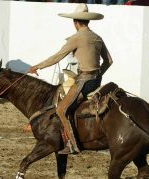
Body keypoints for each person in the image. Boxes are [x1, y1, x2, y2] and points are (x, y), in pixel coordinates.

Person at [28, 3, 113, 154]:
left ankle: (72, 144)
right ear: (87, 21)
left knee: (61, 109)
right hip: (96, 80)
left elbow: (57, 57)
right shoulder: (97, 38)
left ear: (75, 22)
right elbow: (109, 61)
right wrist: (99, 73)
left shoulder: (76, 38)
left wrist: (38, 66)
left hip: (84, 81)